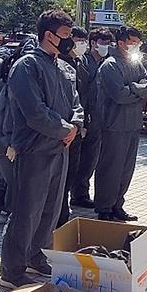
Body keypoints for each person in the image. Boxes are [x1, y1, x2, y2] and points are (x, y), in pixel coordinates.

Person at [0, 11, 83, 289]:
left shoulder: (65, 68)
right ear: (49, 35)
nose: (71, 41)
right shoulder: (27, 66)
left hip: (60, 150)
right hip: (34, 150)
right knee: (27, 211)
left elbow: (77, 106)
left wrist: (76, 126)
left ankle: (36, 256)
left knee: (50, 209)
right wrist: (65, 129)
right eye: (66, 35)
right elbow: (34, 112)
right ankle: (12, 270)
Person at [95, 26, 147, 221]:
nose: (136, 46)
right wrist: (139, 91)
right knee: (111, 167)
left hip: (133, 124)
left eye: (138, 43)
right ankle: (104, 207)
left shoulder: (136, 63)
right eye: (132, 43)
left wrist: (134, 89)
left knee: (126, 169)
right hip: (114, 125)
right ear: (121, 43)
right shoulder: (110, 65)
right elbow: (119, 95)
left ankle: (118, 204)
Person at [0, 39, 36, 224]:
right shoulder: (14, 78)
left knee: (5, 176)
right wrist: (11, 142)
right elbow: (5, 113)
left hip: (7, 137)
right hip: (7, 138)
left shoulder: (11, 74)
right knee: (9, 177)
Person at [72, 28, 113, 209]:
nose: (104, 46)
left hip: (99, 118)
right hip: (84, 119)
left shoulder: (106, 63)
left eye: (107, 43)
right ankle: (75, 194)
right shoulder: (83, 62)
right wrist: (83, 121)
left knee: (90, 160)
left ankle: (81, 194)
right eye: (101, 42)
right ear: (93, 43)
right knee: (78, 159)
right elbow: (81, 93)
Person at [58, 27, 90, 227]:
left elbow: (80, 98)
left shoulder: (80, 63)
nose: (81, 44)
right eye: (77, 39)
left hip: (76, 128)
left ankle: (63, 211)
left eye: (83, 40)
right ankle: (58, 214)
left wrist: (79, 124)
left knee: (71, 172)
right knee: (58, 177)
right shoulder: (59, 63)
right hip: (60, 131)